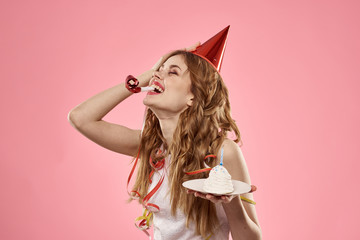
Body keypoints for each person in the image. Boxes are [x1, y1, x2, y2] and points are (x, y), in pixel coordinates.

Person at [68, 26, 262, 240]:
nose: (157, 75)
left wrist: (231, 198)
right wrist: (144, 78)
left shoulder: (223, 152)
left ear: (193, 98)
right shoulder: (152, 148)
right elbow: (80, 118)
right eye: (159, 69)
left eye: (172, 72)